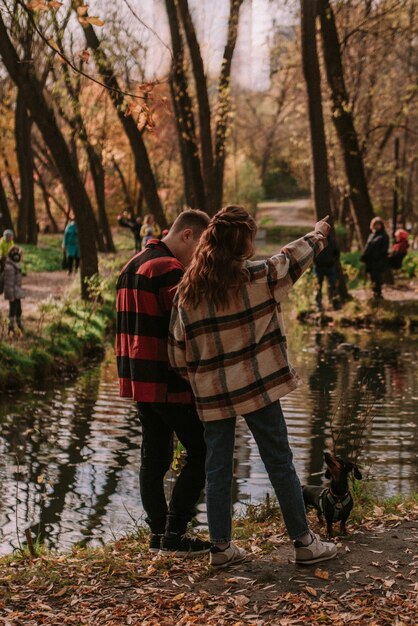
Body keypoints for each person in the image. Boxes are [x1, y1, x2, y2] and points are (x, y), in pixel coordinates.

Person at [169, 205, 338, 568]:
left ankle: (220, 549)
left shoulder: (186, 291)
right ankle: (304, 543)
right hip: (257, 387)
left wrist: (205, 380)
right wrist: (320, 233)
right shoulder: (260, 277)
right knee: (279, 462)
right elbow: (292, 258)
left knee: (217, 469)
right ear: (242, 243)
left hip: (213, 394)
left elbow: (176, 353)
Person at [116, 209, 211, 555]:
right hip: (168, 380)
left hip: (139, 380)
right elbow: (190, 327)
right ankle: (174, 533)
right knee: (203, 450)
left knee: (153, 457)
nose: (200, 255)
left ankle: (158, 534)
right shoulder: (169, 269)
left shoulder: (134, 262)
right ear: (187, 235)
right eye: (200, 246)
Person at [360, 217, 389, 299]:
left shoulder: (384, 236)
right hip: (370, 261)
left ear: (381, 225)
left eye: (378, 224)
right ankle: (374, 293)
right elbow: (367, 247)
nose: (376, 226)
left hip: (378, 261)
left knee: (377, 278)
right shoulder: (371, 235)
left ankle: (378, 294)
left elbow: (384, 249)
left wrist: (378, 256)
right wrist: (364, 256)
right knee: (372, 277)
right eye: (374, 225)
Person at [314, 234, 341, 310]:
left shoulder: (332, 241)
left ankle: (335, 303)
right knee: (318, 286)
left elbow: (337, 253)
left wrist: (333, 260)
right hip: (318, 267)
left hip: (330, 266)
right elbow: (311, 253)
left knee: (333, 285)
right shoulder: (316, 241)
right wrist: (316, 261)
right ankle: (318, 304)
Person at [3, 246, 24, 333]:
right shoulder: (9, 268)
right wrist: (11, 296)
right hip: (12, 293)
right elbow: (8, 283)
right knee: (13, 309)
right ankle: (10, 326)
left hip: (16, 292)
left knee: (18, 309)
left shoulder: (15, 265)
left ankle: (19, 324)